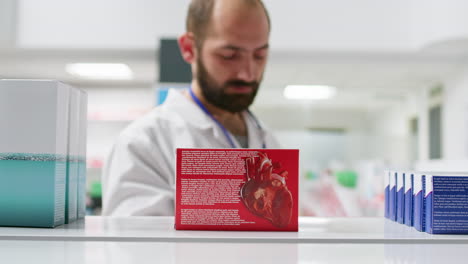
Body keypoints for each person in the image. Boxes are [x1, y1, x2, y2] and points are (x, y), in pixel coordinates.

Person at [102, 0, 280, 216]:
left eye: (260, 55)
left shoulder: (267, 140)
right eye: (229, 55)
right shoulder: (144, 143)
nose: (248, 73)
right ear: (189, 49)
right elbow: (134, 245)